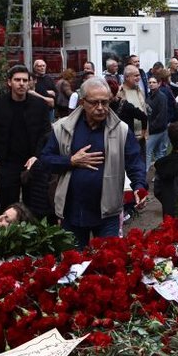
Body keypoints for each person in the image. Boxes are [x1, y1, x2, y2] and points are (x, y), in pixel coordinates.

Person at [39, 77, 147, 246]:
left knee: (108, 262)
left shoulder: (121, 130)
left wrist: (139, 186)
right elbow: (45, 160)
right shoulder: (63, 127)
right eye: (94, 103)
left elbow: (135, 161)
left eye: (105, 102)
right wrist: (71, 160)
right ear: (82, 102)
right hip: (72, 212)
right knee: (74, 265)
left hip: (108, 213)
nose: (101, 108)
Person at [0, 66, 51, 212]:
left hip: (32, 162)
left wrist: (37, 156)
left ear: (30, 83)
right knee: (7, 206)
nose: (21, 83)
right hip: (7, 163)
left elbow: (45, 134)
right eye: (17, 80)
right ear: (9, 82)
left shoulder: (39, 105)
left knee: (35, 207)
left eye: (25, 80)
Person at [117, 64, 148, 155]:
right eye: (136, 76)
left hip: (141, 137)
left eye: (139, 75)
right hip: (127, 136)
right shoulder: (120, 92)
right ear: (126, 77)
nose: (139, 78)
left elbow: (144, 111)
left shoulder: (140, 91)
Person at [146, 75, 170, 171]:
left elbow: (161, 115)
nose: (151, 84)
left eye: (154, 82)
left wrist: (150, 128)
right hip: (154, 128)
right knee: (157, 153)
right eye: (150, 82)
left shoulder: (161, 97)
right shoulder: (149, 96)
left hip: (158, 130)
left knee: (152, 152)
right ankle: (157, 173)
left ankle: (148, 173)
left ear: (159, 84)